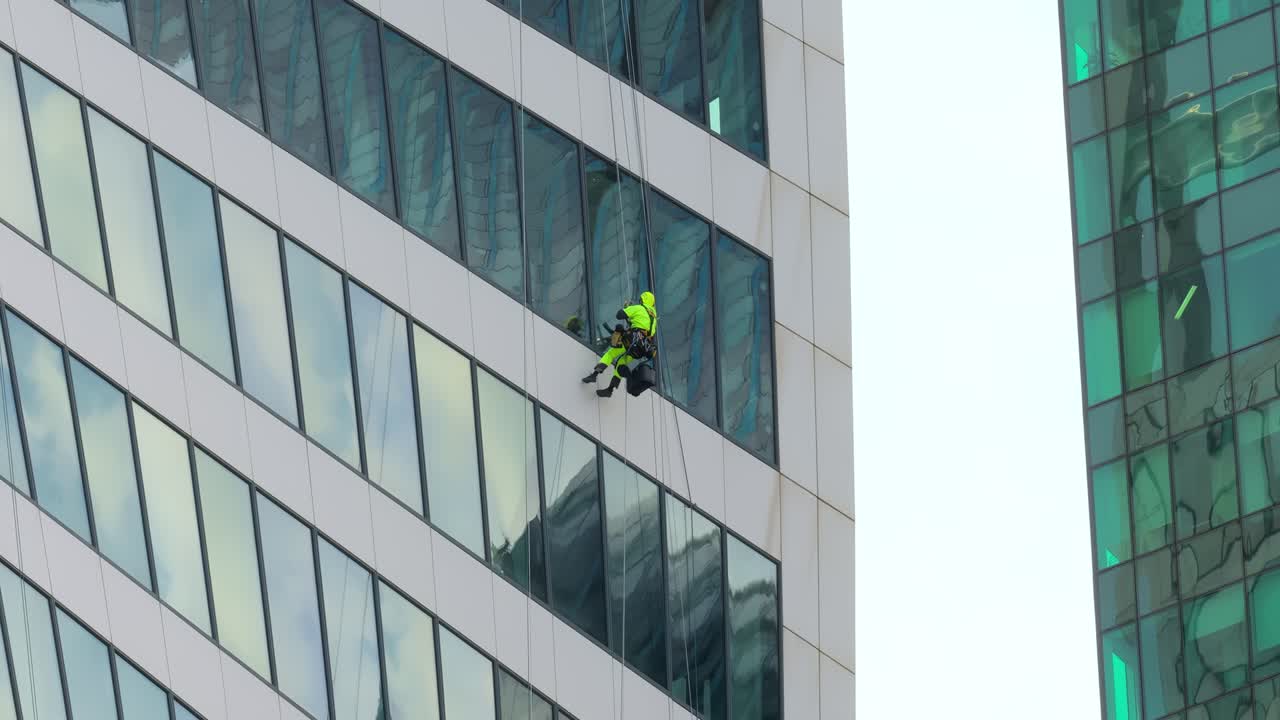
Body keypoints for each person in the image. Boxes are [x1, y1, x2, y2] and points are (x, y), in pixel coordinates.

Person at [582, 291, 657, 397]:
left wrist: (627, 308)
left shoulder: (639, 308)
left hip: (631, 341)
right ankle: (610, 390)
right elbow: (641, 327)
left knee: (610, 354)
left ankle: (594, 375)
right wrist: (630, 317)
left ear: (643, 300)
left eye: (641, 300)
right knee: (621, 363)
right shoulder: (653, 319)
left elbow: (619, 315)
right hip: (641, 349)